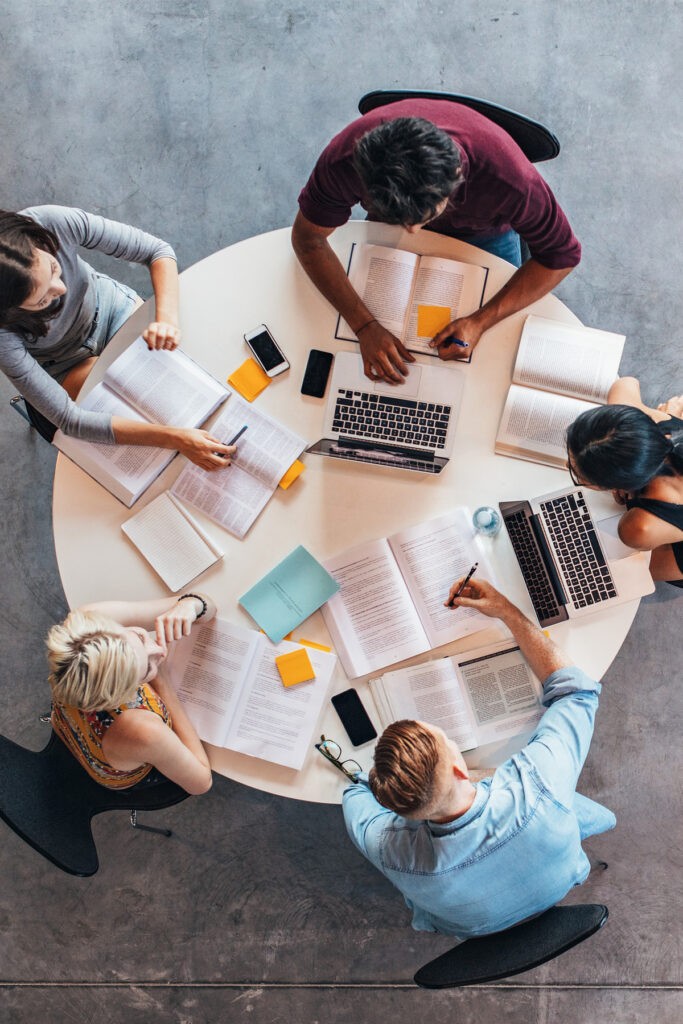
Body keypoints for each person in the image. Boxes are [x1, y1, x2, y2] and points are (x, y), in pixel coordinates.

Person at [342, 578, 614, 938]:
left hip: (474, 928)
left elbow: (354, 796)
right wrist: (506, 611)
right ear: (459, 768)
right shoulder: (537, 787)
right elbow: (577, 693)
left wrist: (376, 782)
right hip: (560, 878)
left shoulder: (391, 851)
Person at [293, 99, 581, 383]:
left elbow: (562, 257)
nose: (413, 233)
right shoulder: (344, 159)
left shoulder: (511, 181)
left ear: (457, 177)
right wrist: (364, 325)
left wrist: (481, 321)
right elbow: (308, 239)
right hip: (391, 224)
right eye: (403, 221)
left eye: (423, 217)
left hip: (486, 232)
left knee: (491, 355)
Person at [0, 205, 234, 468]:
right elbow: (70, 419)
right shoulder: (2, 336)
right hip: (64, 363)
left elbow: (157, 251)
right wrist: (176, 440)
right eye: (43, 299)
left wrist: (167, 320)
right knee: (140, 416)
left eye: (54, 268)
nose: (62, 288)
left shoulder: (50, 222)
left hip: (112, 310)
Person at [47, 593, 215, 793]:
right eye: (147, 669)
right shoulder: (144, 730)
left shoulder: (90, 622)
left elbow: (207, 605)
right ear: (123, 695)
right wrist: (162, 682)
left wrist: (191, 606)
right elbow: (201, 783)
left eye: (140, 636)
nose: (159, 651)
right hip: (117, 767)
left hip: (68, 722)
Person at [566, 377, 683, 586]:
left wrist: (631, 502)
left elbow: (640, 558)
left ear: (611, 486)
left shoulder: (638, 527)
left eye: (579, 476)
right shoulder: (653, 425)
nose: (567, 466)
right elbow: (626, 383)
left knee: (623, 568)